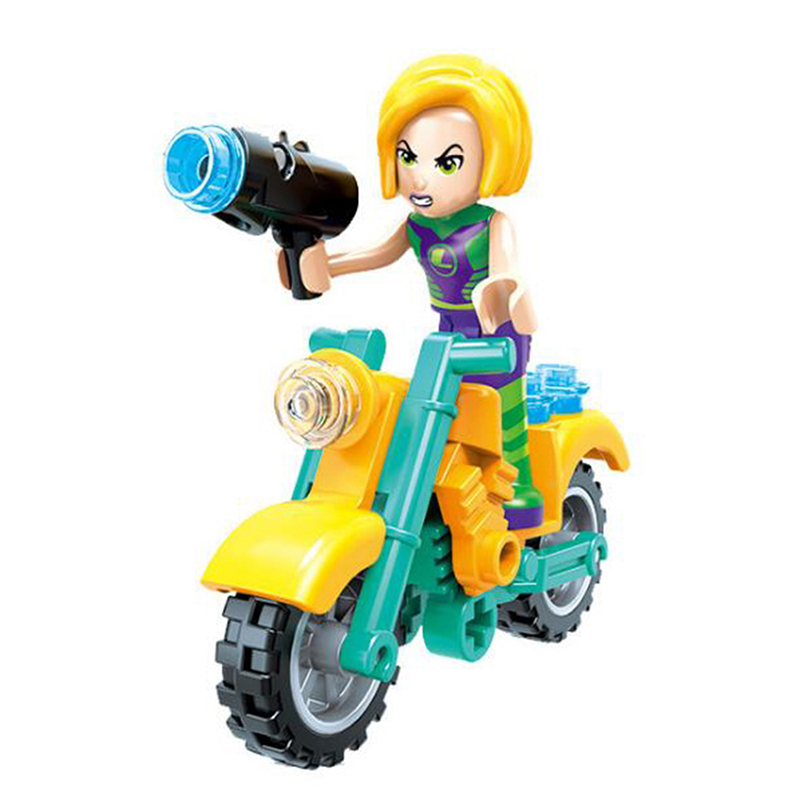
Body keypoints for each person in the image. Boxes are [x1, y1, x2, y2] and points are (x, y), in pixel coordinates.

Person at [278, 54, 543, 528]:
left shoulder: (492, 223)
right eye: (407, 156)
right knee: (443, 408)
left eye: (447, 162)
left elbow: (509, 271)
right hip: (447, 329)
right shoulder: (416, 225)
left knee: (501, 405)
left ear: (493, 160)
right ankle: (448, 483)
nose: (420, 176)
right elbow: (376, 254)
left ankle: (518, 483)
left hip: (495, 329)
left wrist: (504, 290)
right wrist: (325, 266)